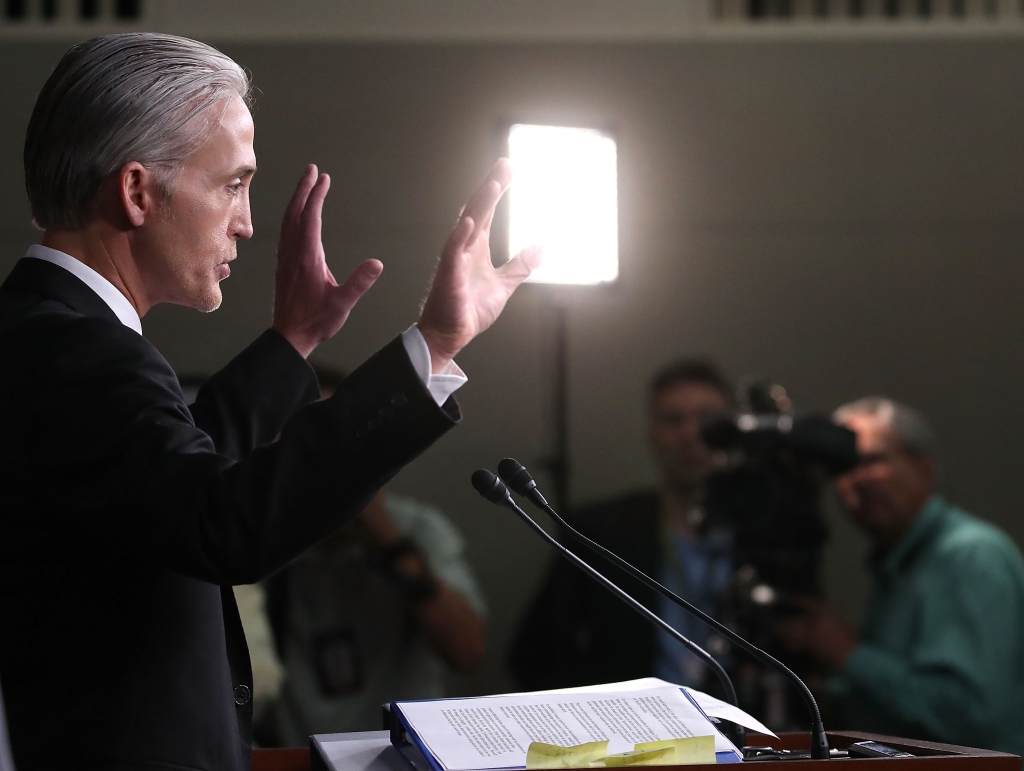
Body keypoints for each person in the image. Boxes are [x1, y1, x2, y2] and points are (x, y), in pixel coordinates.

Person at [0, 32, 539, 771]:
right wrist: (435, 345)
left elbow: (172, 486)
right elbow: (222, 524)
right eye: (231, 184)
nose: (247, 222)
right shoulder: (77, 352)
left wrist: (293, 342)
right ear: (136, 192)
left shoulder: (45, 334)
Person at [776, 397, 1024, 754]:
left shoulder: (970, 555)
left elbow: (968, 715)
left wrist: (847, 653)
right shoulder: (894, 562)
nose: (856, 480)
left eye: (872, 461)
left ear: (924, 468)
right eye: (843, 468)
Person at [263, 368, 486, 741]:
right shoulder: (253, 536)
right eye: (307, 442)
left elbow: (468, 652)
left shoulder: (417, 529)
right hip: (297, 755)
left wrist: (386, 538)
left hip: (402, 751)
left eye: (338, 439)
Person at [508, 359, 734, 691]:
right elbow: (532, 657)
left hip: (751, 730)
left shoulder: (772, 535)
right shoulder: (600, 533)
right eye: (674, 420)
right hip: (636, 733)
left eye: (707, 420)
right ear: (652, 434)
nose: (690, 433)